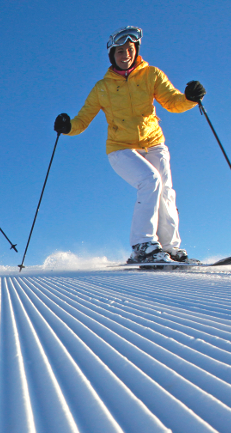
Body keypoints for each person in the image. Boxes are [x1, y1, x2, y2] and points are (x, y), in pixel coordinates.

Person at [54, 26, 206, 264]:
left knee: (166, 191)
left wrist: (189, 98)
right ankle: (143, 245)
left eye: (129, 49)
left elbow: (172, 102)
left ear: (136, 50)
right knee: (150, 180)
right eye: (119, 51)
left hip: (153, 143)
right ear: (112, 55)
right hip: (121, 148)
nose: (125, 54)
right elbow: (82, 120)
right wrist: (68, 126)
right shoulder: (102, 87)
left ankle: (169, 248)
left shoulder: (151, 75)